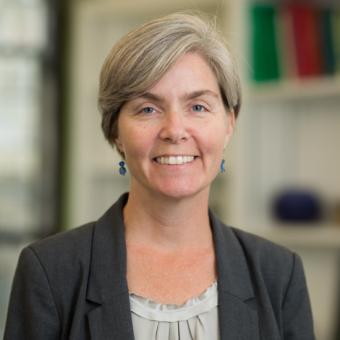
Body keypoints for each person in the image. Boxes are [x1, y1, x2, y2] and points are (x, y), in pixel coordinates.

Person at [4, 12, 315, 340]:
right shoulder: (50, 271)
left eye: (198, 107)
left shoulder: (279, 274)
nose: (174, 130)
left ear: (229, 123)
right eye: (147, 109)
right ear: (115, 132)